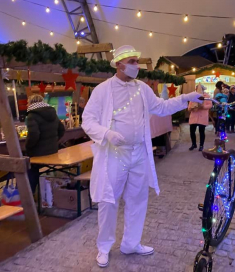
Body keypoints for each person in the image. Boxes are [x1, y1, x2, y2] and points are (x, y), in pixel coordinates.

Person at [81, 45, 202, 268]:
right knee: (109, 202)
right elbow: (87, 120)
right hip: (115, 155)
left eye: (137, 61)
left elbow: (162, 107)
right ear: (119, 64)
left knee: (138, 200)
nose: (137, 65)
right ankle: (104, 247)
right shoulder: (103, 90)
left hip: (138, 154)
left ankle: (131, 243)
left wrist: (186, 97)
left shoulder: (143, 89)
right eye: (133, 61)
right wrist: (106, 133)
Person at [25, 94, 65, 193]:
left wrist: (28, 146)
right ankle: (43, 193)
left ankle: (29, 195)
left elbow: (34, 135)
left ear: (31, 103)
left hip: (38, 153)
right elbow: (62, 129)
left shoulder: (32, 115)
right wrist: (54, 141)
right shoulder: (52, 113)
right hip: (52, 151)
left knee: (29, 169)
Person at [188, 84, 212, 151]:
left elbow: (210, 105)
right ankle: (193, 144)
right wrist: (191, 108)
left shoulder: (207, 97)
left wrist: (203, 107)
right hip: (194, 116)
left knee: (201, 131)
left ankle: (201, 145)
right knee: (192, 131)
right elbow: (189, 106)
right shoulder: (193, 96)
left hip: (202, 116)